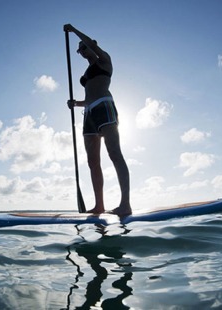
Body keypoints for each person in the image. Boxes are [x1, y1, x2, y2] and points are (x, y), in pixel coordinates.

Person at [64, 24, 132, 217]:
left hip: (105, 107)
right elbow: (89, 96)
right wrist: (76, 103)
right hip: (89, 114)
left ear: (92, 45)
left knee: (114, 154)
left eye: (83, 48)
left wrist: (73, 30)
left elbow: (90, 44)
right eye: (79, 51)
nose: (81, 52)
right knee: (93, 161)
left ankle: (125, 204)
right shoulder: (87, 72)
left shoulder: (104, 61)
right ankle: (99, 205)